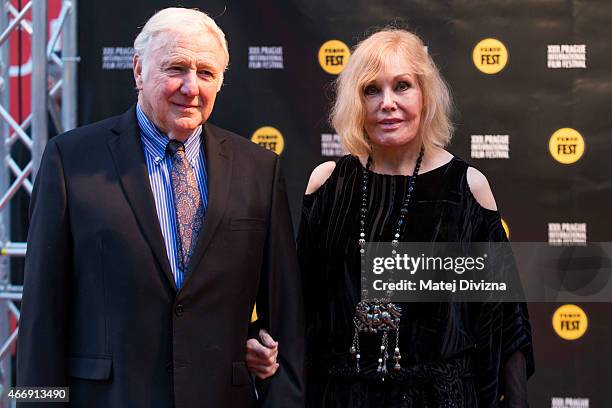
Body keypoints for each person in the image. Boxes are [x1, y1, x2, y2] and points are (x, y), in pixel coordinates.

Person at [17, 7, 304, 408]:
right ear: (137, 70)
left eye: (206, 73)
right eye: (176, 68)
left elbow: (284, 320)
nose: (191, 87)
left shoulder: (259, 169)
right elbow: (39, 320)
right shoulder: (70, 160)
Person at [247, 29, 533, 407]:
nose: (387, 103)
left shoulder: (467, 188)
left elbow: (504, 321)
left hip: (439, 398)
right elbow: (298, 303)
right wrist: (259, 341)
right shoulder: (327, 184)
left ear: (426, 95)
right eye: (371, 90)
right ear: (355, 101)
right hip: (338, 396)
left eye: (402, 86)